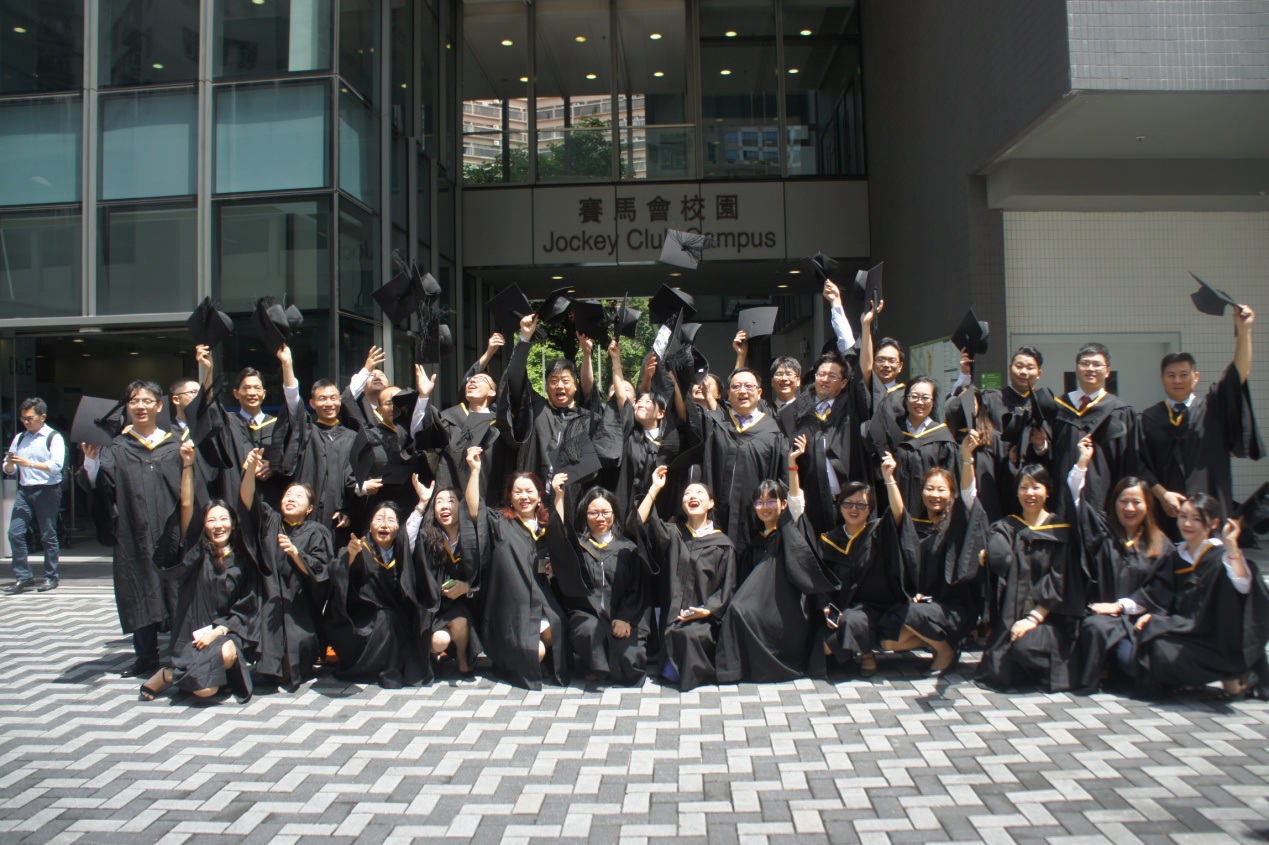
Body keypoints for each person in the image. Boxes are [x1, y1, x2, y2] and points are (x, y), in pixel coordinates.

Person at [139, 441, 260, 703]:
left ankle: (174, 675)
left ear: (233, 523)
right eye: (211, 520)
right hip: (191, 633)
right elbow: (186, 504)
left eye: (224, 519)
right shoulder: (196, 554)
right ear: (203, 525)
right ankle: (171, 674)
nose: (219, 525)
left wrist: (218, 631)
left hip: (224, 633)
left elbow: (246, 606)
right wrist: (188, 464)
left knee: (227, 653)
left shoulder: (242, 559)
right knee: (206, 692)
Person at [715, 436, 841, 683]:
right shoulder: (755, 541)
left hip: (787, 606)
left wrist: (792, 464)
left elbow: (796, 500)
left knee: (743, 611)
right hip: (761, 603)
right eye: (760, 501)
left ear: (783, 505)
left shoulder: (789, 529)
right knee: (738, 611)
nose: (765, 506)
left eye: (772, 500)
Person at [81, 380, 183, 677]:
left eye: (147, 401)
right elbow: (102, 489)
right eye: (134, 401)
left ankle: (181, 653)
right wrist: (90, 462)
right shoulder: (115, 448)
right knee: (139, 588)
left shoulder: (176, 446)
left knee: (178, 589)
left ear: (159, 406)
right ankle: (146, 657)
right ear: (127, 407)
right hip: (133, 530)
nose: (140, 406)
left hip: (172, 532)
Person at [1127, 494, 1269, 699]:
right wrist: (1139, 611)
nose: (1187, 524)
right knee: (1157, 647)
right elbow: (1157, 592)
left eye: (1196, 519)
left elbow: (1243, 585)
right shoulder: (1176, 555)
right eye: (1183, 516)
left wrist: (1232, 547)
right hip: (1189, 634)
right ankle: (1196, 681)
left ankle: (1233, 677)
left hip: (1218, 641)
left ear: (1214, 523)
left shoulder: (1222, 557)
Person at [1139, 304, 1259, 533]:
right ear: (1162, 378)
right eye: (1171, 375)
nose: (1177, 380)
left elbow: (1238, 374)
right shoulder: (1148, 419)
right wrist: (1162, 495)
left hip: (1210, 513)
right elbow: (1139, 464)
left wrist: (1244, 331)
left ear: (1196, 377)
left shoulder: (1213, 408)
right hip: (1167, 516)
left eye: (1184, 375)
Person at [877, 442, 986, 675]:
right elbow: (899, 515)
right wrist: (889, 478)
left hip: (955, 609)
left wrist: (967, 458)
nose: (934, 495)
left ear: (951, 494)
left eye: (941, 490)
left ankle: (945, 651)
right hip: (929, 606)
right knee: (888, 641)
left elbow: (969, 495)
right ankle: (944, 643)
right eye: (929, 489)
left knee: (909, 613)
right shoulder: (920, 526)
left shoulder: (956, 523)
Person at [976, 463, 1083, 692]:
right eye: (1023, 487)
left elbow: (1059, 579)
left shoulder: (1059, 531)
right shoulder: (1008, 526)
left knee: (1024, 649)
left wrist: (1034, 618)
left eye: (1036, 487)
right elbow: (999, 552)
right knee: (998, 668)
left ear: (1048, 491)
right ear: (1016, 492)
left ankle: (1048, 668)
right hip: (1013, 615)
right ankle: (1030, 670)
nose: (1029, 493)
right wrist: (989, 554)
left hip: (1051, 617)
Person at [469, 450, 570, 689]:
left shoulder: (543, 527)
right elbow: (474, 510)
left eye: (529, 491)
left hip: (539, 603)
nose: (524, 496)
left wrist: (559, 495)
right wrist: (474, 471)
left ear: (539, 496)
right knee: (536, 652)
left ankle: (535, 660)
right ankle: (509, 662)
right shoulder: (500, 523)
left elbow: (559, 530)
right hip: (511, 613)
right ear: (510, 497)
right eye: (517, 492)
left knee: (559, 631)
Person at [1069, 446, 1167, 692]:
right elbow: (1076, 501)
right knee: (1097, 630)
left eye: (1136, 502)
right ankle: (1104, 666)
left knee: (1141, 665)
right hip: (1106, 621)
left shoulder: (1160, 545)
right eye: (1123, 501)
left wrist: (1123, 606)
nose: (1129, 508)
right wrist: (1083, 463)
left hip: (1141, 622)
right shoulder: (1103, 534)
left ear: (1148, 505)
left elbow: (1162, 590)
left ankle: (1112, 664)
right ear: (1114, 504)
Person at [633, 464, 737, 691]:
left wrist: (707, 610)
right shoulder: (673, 533)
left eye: (699, 493)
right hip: (672, 618)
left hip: (704, 618)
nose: (692, 496)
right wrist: (654, 488)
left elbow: (727, 587)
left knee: (689, 637)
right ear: (682, 504)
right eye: (688, 493)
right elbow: (639, 522)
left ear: (711, 503)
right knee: (671, 670)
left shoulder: (723, 544)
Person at [239, 447, 334, 690]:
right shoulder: (271, 521)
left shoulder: (317, 532)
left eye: (299, 496)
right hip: (269, 597)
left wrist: (295, 554)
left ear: (310, 508)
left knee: (294, 657)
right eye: (288, 495)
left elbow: (321, 572)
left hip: (300, 603)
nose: (291, 498)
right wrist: (250, 468)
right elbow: (247, 499)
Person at [323, 496, 440, 688]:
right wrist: (351, 557)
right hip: (358, 622)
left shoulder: (400, 553)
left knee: (396, 619)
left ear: (398, 528)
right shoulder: (358, 548)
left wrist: (421, 505)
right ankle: (384, 669)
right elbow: (337, 575)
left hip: (394, 620)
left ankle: (392, 665)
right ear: (370, 525)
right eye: (379, 519)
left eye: (391, 520)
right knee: (387, 618)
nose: (384, 524)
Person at [548, 478, 654, 685]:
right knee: (589, 630)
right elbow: (558, 534)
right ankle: (594, 663)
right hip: (588, 614)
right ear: (584, 515)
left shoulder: (627, 548)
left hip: (622, 616)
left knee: (629, 662)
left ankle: (601, 665)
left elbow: (638, 590)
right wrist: (559, 496)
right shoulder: (578, 547)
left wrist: (625, 618)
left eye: (605, 512)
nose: (600, 518)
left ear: (614, 514)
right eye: (593, 513)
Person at [688, 367, 788, 559]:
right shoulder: (714, 423)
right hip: (717, 517)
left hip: (755, 522)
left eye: (749, 386)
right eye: (736, 386)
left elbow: (782, 478)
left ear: (759, 392)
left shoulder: (773, 432)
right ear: (728, 393)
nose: (743, 391)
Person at [809, 482, 902, 679]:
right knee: (822, 649)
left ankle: (867, 655)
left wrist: (889, 479)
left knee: (851, 621)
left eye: (861, 505)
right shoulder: (829, 540)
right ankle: (853, 647)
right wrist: (826, 607)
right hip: (839, 609)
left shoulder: (878, 532)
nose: (854, 509)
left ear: (870, 509)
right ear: (840, 506)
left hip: (872, 607)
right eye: (848, 503)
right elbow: (820, 580)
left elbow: (898, 514)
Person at [1037, 343, 1139, 516]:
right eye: (1085, 363)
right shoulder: (1058, 408)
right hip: (1062, 497)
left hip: (1103, 500)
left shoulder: (1121, 411)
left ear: (1107, 371)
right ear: (1076, 369)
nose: (1090, 368)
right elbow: (1049, 454)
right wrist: (1041, 447)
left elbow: (1128, 462)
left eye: (1097, 364)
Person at [414, 334, 507, 505]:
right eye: (471, 381)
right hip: (451, 501)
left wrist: (490, 353)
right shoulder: (449, 419)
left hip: (490, 502)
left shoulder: (500, 425)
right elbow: (420, 435)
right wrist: (424, 397)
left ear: (492, 392)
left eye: (480, 380)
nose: (472, 382)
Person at [277, 344, 357, 543]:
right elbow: (293, 400)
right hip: (304, 519)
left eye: (333, 398)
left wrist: (349, 509)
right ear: (312, 404)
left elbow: (353, 478)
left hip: (337, 520)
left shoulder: (353, 437)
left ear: (340, 401)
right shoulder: (306, 431)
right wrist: (287, 364)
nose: (329, 403)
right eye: (322, 399)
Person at [192, 345, 290, 506]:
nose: (252, 393)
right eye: (246, 388)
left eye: (257, 388)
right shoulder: (227, 423)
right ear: (236, 394)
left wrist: (274, 466)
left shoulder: (276, 426)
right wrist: (208, 371)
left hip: (270, 500)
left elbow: (291, 459)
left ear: (264, 394)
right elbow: (209, 407)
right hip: (236, 500)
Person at [790, 350, 872, 535]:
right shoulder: (800, 412)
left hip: (848, 505)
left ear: (844, 383)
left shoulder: (851, 409)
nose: (824, 379)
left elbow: (865, 372)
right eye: (821, 374)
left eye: (832, 376)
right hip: (812, 506)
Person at [411, 469, 482, 676]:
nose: (444, 506)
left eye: (451, 501)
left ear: (462, 507)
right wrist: (422, 503)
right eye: (439, 502)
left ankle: (463, 660)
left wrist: (467, 587)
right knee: (438, 641)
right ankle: (432, 654)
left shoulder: (473, 538)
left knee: (461, 619)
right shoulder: (427, 537)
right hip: (431, 608)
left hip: (460, 606)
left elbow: (486, 575)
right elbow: (405, 543)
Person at [4, 398, 66, 594]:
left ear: (42, 416)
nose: (26, 422)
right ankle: (23, 576)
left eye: (30, 418)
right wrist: (10, 463)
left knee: (48, 534)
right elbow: (9, 468)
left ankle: (51, 576)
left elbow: (56, 466)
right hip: (25, 490)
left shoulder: (53, 437)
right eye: (23, 418)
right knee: (15, 532)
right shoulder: (20, 437)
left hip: (47, 490)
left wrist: (28, 463)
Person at [870, 377, 958, 515]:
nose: (919, 402)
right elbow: (877, 475)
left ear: (933, 402)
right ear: (905, 400)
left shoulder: (943, 437)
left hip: (932, 517)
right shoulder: (892, 434)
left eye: (925, 397)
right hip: (894, 513)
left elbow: (950, 480)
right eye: (914, 396)